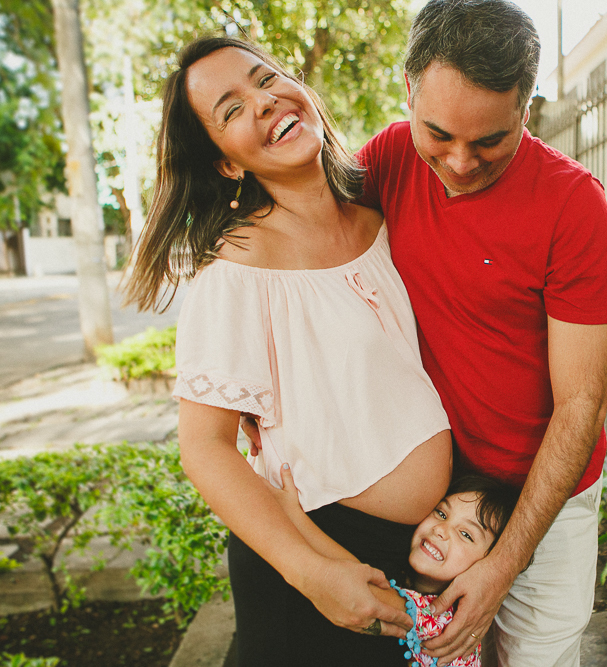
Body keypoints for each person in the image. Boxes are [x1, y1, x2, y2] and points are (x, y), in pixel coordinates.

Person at [122, 35, 456, 666]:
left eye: (265, 77)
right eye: (230, 109)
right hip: (315, 556)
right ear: (226, 163)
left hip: (416, 549)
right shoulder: (237, 273)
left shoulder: (382, 222)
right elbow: (205, 446)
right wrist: (309, 572)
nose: (263, 101)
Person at [358, 1, 607, 664]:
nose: (458, 161)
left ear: (526, 111)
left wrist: (505, 562)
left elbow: (581, 407)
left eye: (488, 141)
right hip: (440, 489)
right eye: (439, 134)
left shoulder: (573, 207)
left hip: (545, 491)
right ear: (409, 90)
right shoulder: (389, 157)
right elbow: (311, 257)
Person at [270, 467, 522, 667]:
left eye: (466, 534)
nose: (441, 530)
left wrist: (294, 516)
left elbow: (361, 584)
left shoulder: (445, 618)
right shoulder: (406, 579)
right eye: (441, 514)